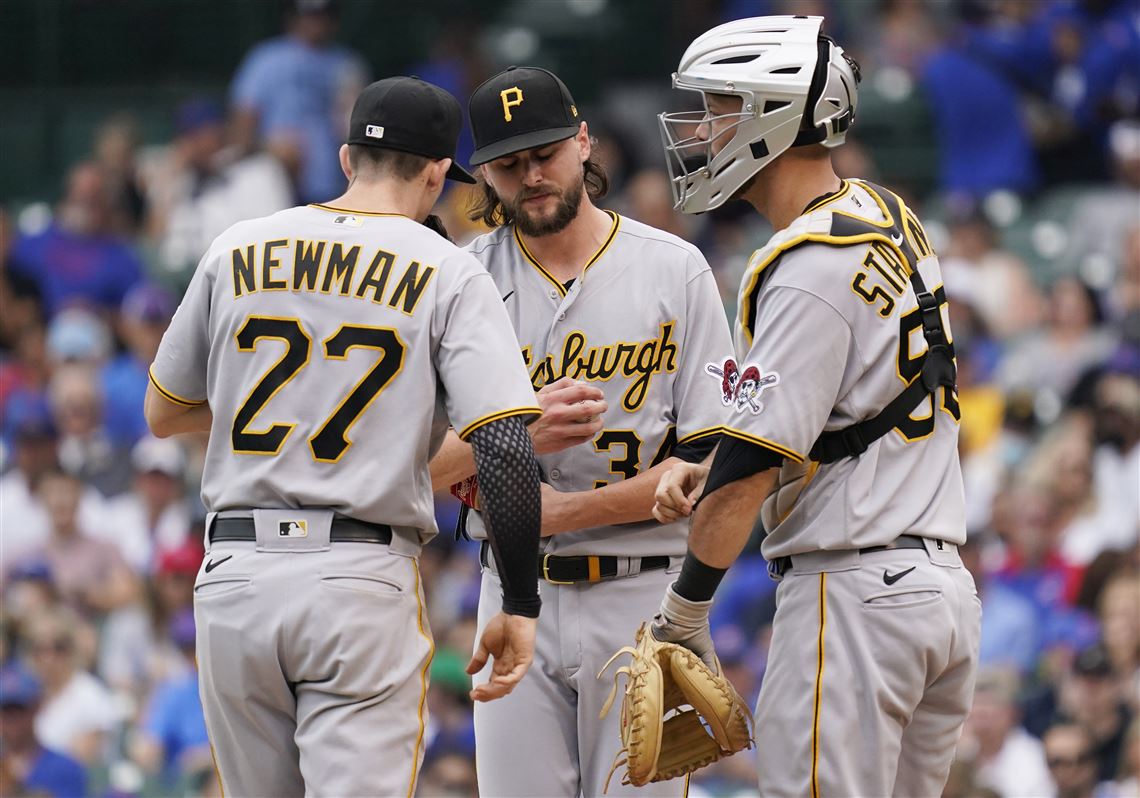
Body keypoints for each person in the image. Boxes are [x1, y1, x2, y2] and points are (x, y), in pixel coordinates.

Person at [143, 75, 546, 797]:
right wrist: (520, 600)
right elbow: (506, 445)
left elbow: (164, 411)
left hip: (235, 575)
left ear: (344, 157)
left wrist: (292, 403)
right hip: (355, 577)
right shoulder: (445, 267)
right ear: (434, 175)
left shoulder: (238, 246)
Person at [649, 16, 981, 796]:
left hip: (854, 591)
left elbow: (756, 463)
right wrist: (715, 457)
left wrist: (683, 612)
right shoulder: (883, 210)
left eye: (723, 104)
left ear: (773, 115)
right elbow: (839, 411)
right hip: (934, 591)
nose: (703, 127)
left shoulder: (807, 263)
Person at [429, 65, 732, 796]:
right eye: (509, 163)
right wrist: (517, 434)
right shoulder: (458, 280)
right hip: (511, 594)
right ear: (484, 176)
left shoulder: (675, 268)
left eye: (546, 153)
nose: (531, 175)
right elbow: (418, 465)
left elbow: (712, 460)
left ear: (584, 142)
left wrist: (557, 512)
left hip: (643, 596)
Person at [229, 0, 368, 203]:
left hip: (330, 180)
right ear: (292, 18)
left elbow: (356, 128)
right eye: (309, 15)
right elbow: (243, 122)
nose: (316, 22)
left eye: (323, 15)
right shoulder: (267, 58)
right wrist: (265, 149)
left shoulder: (346, 64)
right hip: (274, 176)